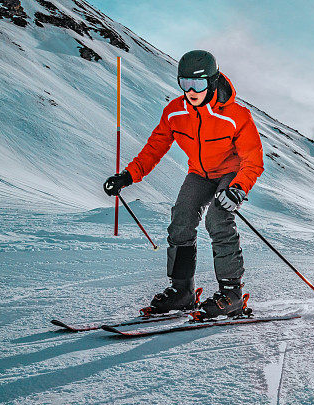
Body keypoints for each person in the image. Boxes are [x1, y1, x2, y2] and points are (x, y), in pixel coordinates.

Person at [103, 50, 264, 317]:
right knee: (181, 220)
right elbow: (154, 148)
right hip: (199, 173)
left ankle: (232, 294)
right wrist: (128, 176)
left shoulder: (236, 116)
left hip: (230, 173)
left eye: (198, 84)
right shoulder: (175, 112)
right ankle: (183, 292)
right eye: (184, 83)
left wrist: (238, 188)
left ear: (211, 81)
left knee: (217, 219)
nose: (191, 91)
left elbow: (253, 159)